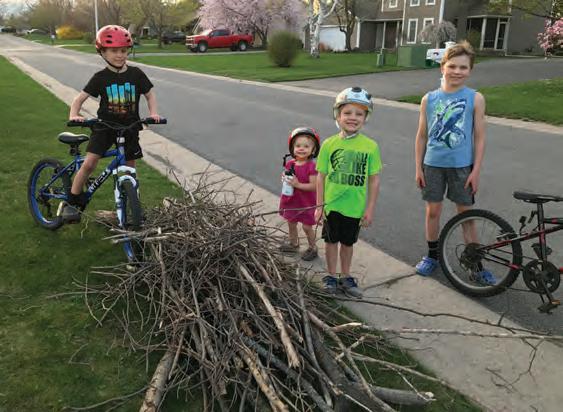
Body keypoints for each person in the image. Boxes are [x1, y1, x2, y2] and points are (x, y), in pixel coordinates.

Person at [414, 41, 495, 284]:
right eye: (452, 66)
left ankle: (475, 264)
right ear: (443, 67)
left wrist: (476, 171)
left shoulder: (475, 98)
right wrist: (418, 167)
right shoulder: (429, 99)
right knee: (433, 211)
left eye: (463, 67)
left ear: (470, 70)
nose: (457, 71)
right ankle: (432, 256)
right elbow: (422, 136)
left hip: (462, 167)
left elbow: (479, 137)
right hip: (433, 165)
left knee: (466, 215)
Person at [63, 25, 161, 223]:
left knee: (130, 170)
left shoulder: (136, 74)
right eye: (114, 51)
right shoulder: (100, 78)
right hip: (105, 128)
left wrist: (153, 114)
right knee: (89, 163)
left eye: (123, 50)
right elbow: (79, 100)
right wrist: (74, 115)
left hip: (130, 128)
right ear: (102, 52)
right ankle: (71, 202)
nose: (120, 55)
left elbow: (150, 95)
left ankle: (133, 208)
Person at [314, 87, 382, 297]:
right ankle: (330, 276)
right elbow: (321, 176)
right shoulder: (329, 144)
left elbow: (374, 180)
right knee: (330, 242)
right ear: (338, 115)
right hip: (332, 206)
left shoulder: (371, 146)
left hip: (354, 207)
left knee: (347, 243)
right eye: (347, 113)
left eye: (359, 114)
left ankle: (345, 276)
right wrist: (319, 206)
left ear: (365, 118)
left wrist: (369, 209)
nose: (353, 117)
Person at [279, 127, 321, 261]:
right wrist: (284, 178)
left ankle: (313, 248)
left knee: (307, 227)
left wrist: (297, 185)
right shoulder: (290, 163)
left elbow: (314, 186)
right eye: (298, 146)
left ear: (313, 150)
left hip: (306, 203)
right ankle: (294, 243)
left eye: (306, 146)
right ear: (292, 148)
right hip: (292, 201)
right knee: (291, 223)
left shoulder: (312, 167)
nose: (301, 149)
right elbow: (288, 178)